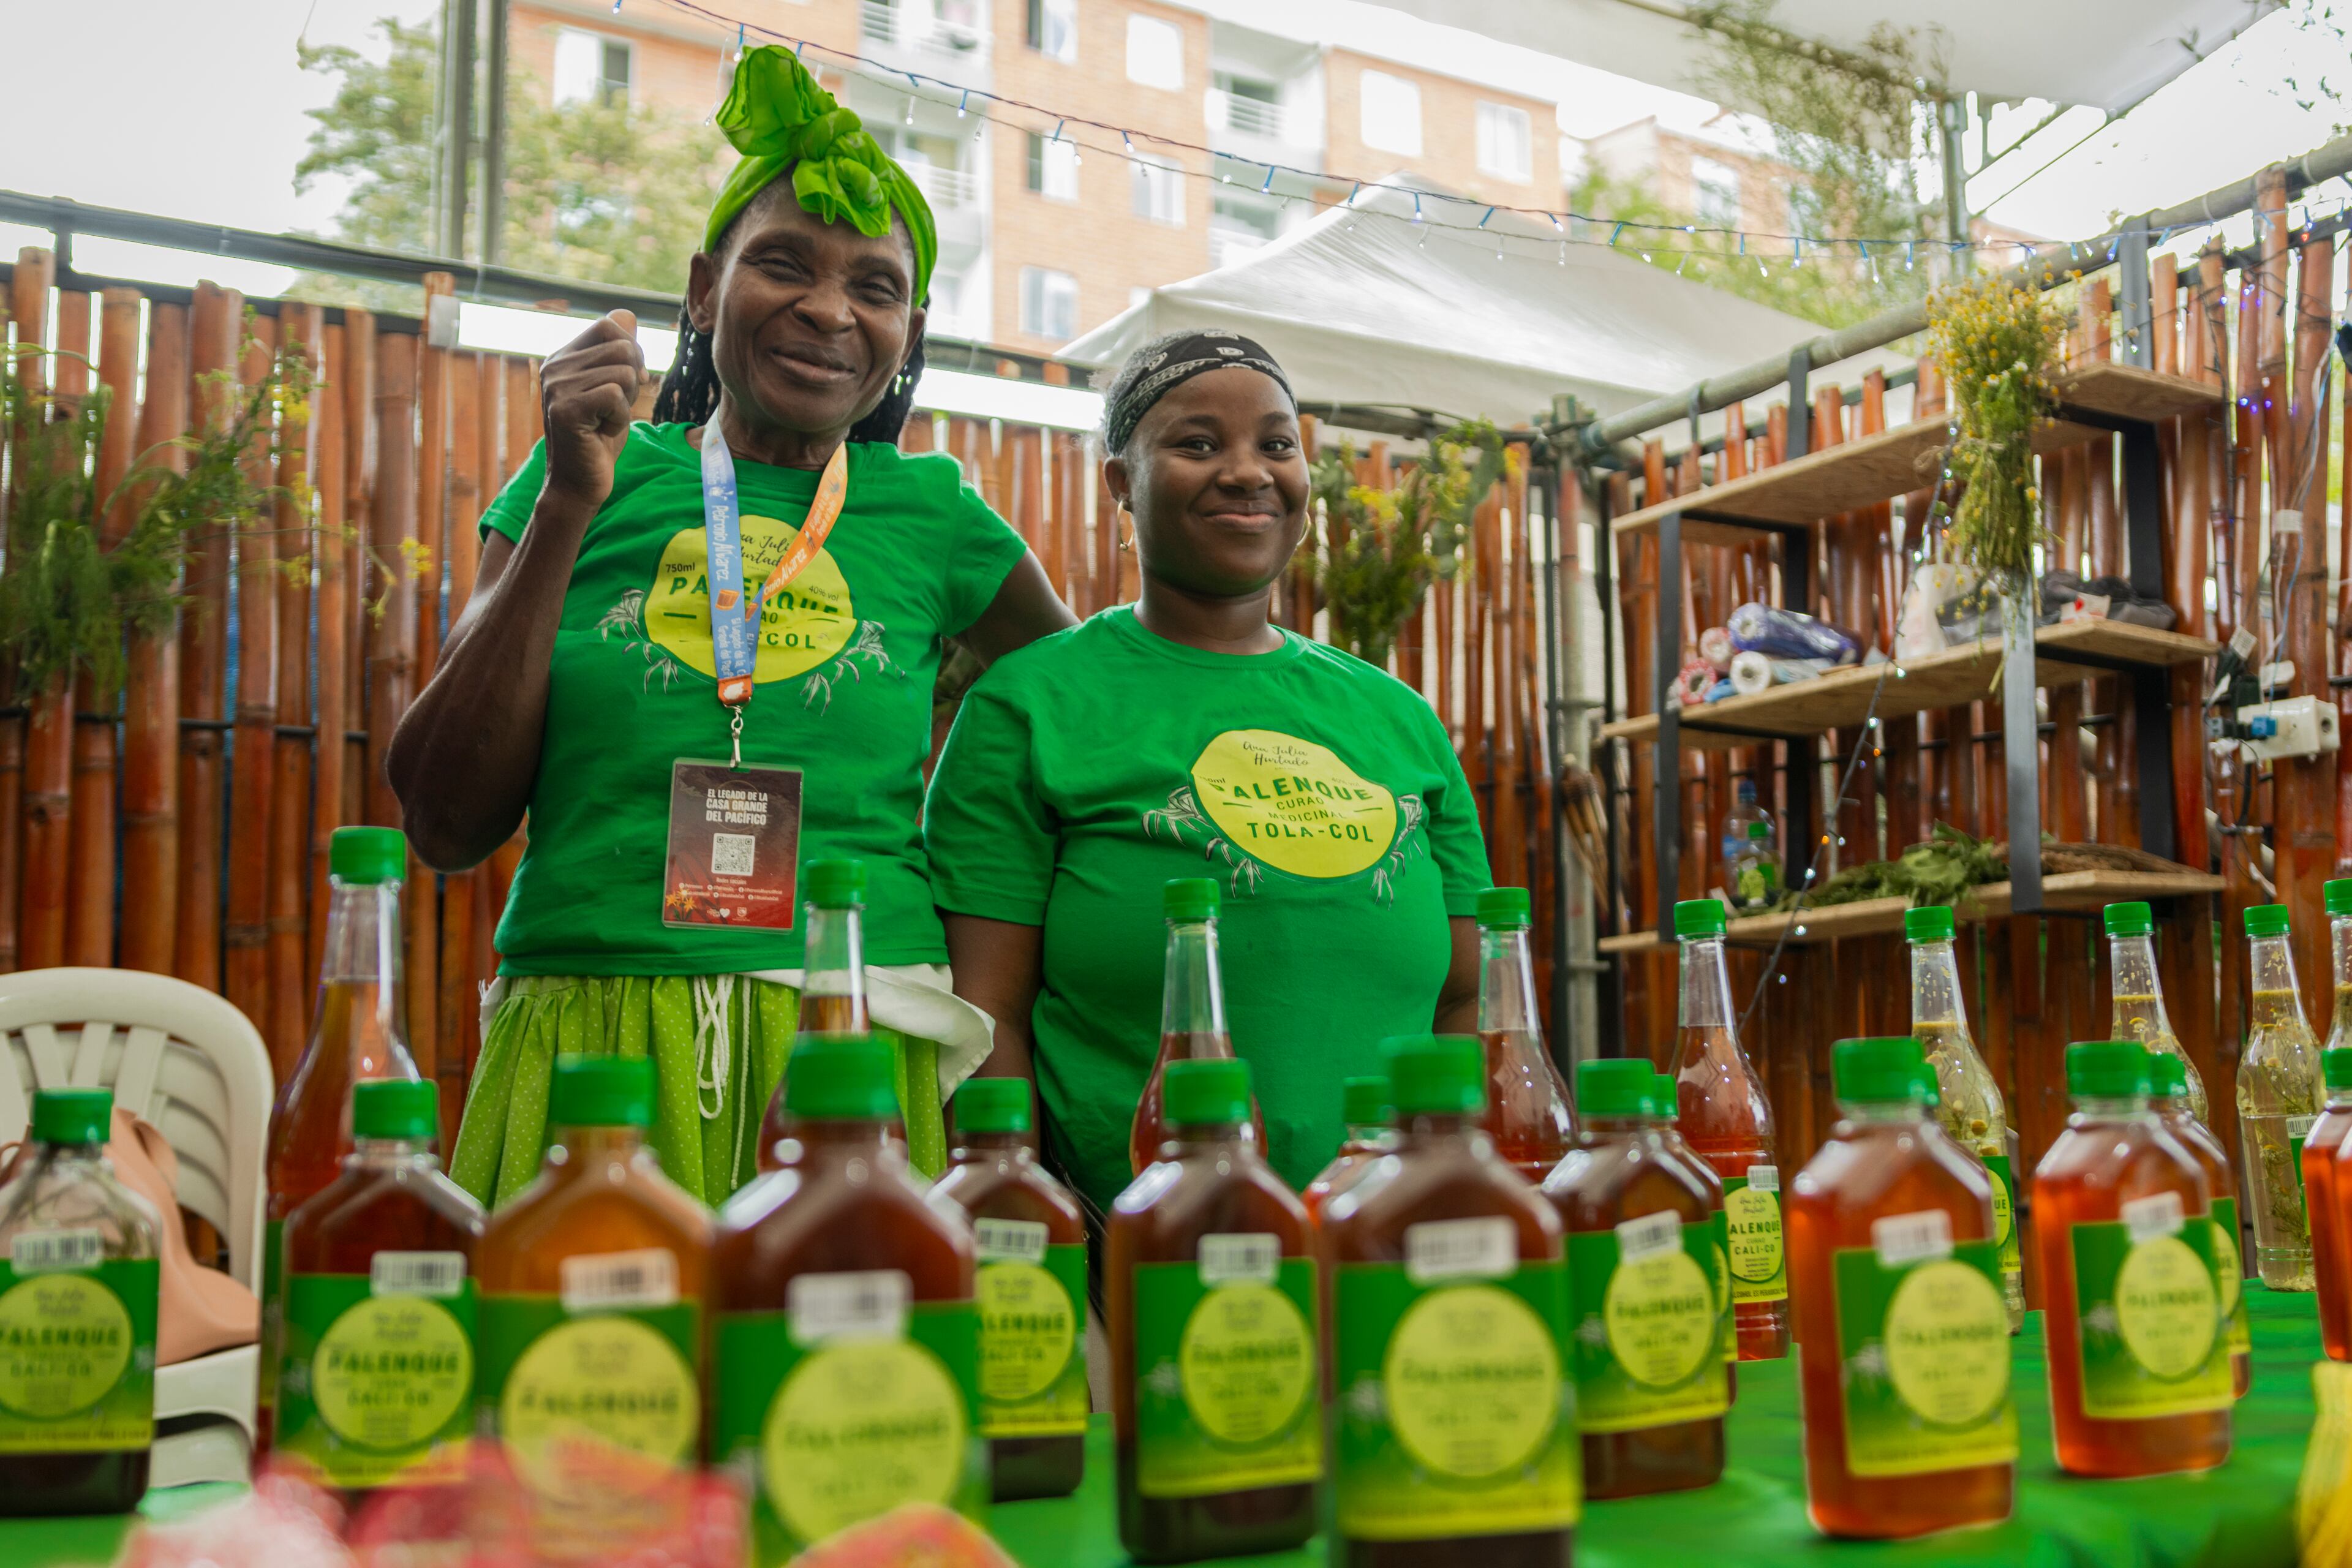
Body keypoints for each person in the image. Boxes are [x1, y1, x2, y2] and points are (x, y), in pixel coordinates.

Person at [388, 45, 1073, 1208]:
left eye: (876, 286)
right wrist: (568, 501)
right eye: (785, 266)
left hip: (853, 1036)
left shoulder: (937, 514)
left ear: (908, 328)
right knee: (586, 1378)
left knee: (839, 1382)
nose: (828, 308)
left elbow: (1078, 713)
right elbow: (447, 819)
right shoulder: (588, 476)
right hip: (594, 1034)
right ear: (706, 290)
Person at [923, 331, 1487, 1217]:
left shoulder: (1398, 720)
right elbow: (983, 1016)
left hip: (1400, 1242)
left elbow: (1468, 1001)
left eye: (1277, 444)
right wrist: (1036, 1240)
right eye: (1196, 444)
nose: (1247, 472)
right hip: (1141, 1251)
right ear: (1121, 483)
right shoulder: (1030, 706)